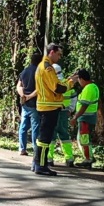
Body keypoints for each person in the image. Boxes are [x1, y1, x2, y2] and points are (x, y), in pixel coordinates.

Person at [33, 43, 67, 176]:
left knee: (43, 136)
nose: (59, 57)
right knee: (45, 138)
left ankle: (37, 163)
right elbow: (57, 88)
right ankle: (41, 165)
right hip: (49, 106)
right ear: (51, 52)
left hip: (45, 105)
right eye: (58, 54)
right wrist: (70, 83)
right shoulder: (47, 68)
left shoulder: (42, 66)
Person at [70, 68, 100, 168]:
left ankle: (88, 159)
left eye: (78, 80)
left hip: (85, 118)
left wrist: (75, 117)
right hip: (88, 117)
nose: (79, 83)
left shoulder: (88, 88)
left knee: (84, 139)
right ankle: (88, 157)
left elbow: (84, 106)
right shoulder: (94, 86)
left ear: (82, 79)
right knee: (84, 138)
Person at [16, 49, 43, 156]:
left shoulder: (24, 71)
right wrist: (29, 96)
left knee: (23, 126)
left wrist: (23, 95)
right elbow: (40, 88)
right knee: (35, 127)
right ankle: (36, 149)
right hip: (35, 103)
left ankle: (22, 148)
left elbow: (19, 86)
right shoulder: (39, 72)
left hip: (25, 104)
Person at [51, 65, 78, 166]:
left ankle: (49, 158)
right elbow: (74, 97)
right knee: (64, 135)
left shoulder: (52, 83)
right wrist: (70, 109)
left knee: (51, 135)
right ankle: (69, 158)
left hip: (53, 111)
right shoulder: (67, 83)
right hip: (64, 112)